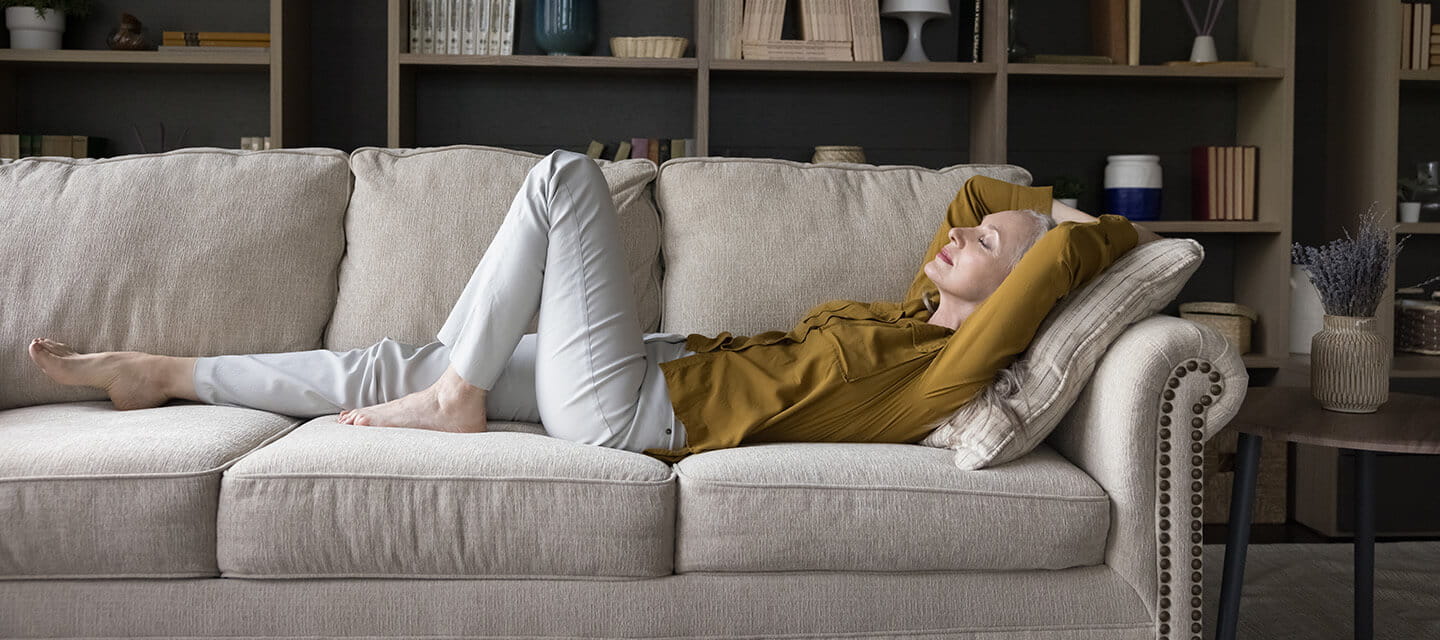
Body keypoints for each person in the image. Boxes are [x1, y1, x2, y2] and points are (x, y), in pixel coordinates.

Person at [26, 150, 1161, 463]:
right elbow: (977, 193)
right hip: (645, 369)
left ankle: (459, 393)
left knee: (563, 178)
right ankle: (164, 372)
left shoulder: (946, 373)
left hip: (636, 410)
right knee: (393, 361)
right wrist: (1015, 221)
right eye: (962, 237)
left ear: (1021, 286)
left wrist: (1060, 233)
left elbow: (1079, 247)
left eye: (988, 248)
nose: (958, 232)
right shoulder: (920, 314)